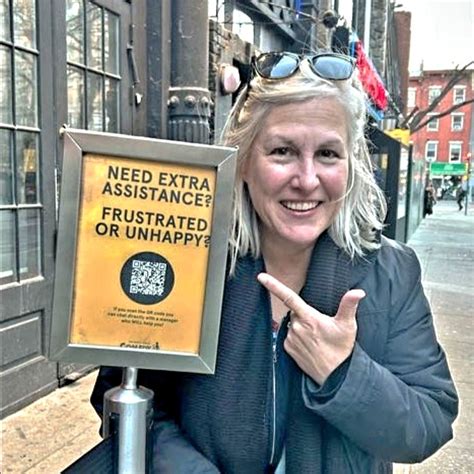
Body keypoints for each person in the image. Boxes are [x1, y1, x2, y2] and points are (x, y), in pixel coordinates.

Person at [91, 51, 458, 473]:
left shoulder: (391, 273)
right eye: (283, 151)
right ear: (244, 161)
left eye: (328, 154)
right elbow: (127, 399)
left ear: (351, 165)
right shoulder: (189, 262)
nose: (306, 179)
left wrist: (343, 373)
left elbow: (428, 423)